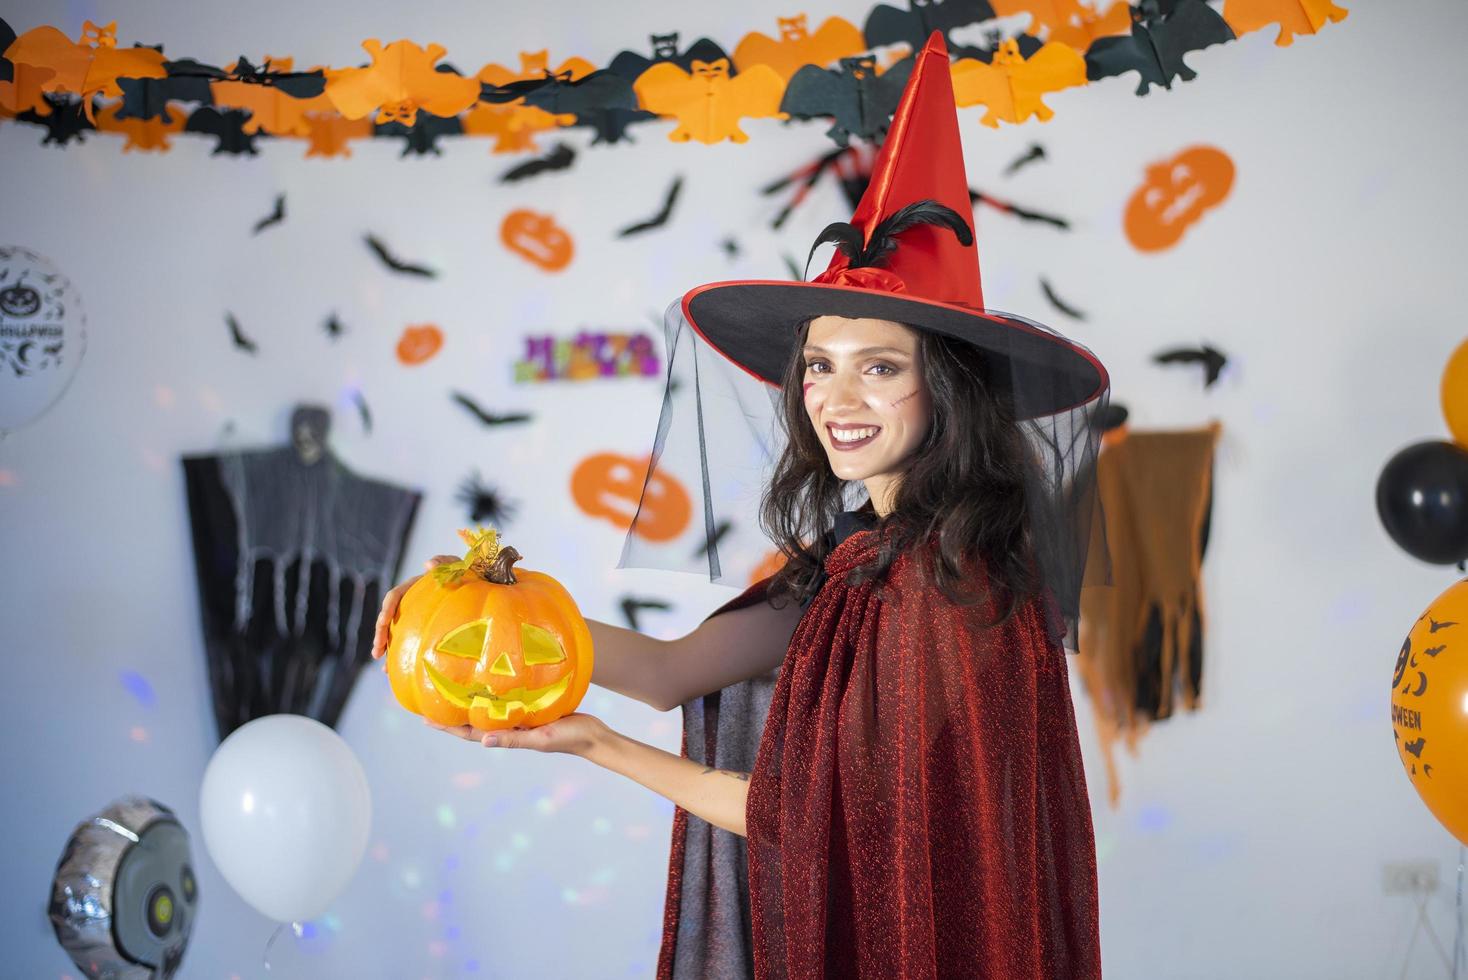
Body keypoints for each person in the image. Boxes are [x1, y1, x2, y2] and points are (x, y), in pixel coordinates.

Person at [373, 32, 1108, 979]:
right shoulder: (859, 561)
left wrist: (596, 746)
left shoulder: (946, 581)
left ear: (946, 390)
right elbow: (673, 671)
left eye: (880, 368)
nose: (838, 401)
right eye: (819, 368)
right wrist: (489, 606)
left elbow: (802, 813)